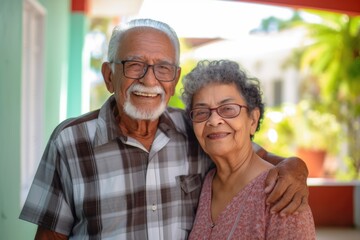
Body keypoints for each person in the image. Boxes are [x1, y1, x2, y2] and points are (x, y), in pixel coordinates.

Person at [19, 19, 309, 239]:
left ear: (175, 79)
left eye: (163, 68)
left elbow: (257, 158)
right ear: (109, 76)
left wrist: (296, 167)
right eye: (134, 65)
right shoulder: (71, 141)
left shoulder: (197, 128)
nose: (149, 80)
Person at [182, 59, 316, 239]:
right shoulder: (207, 182)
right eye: (201, 112)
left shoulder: (282, 192)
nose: (214, 120)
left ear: (252, 120)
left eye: (228, 109)